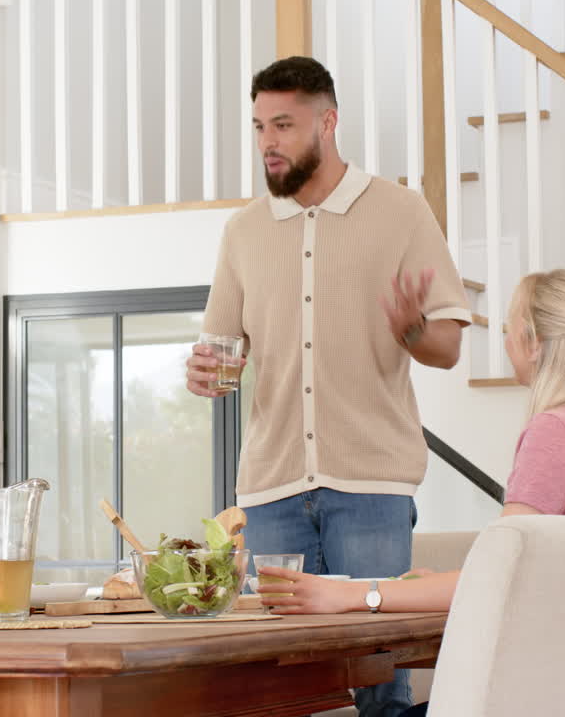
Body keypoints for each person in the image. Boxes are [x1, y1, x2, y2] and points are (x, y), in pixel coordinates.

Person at [259, 270, 565, 717]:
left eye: (508, 328)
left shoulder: (554, 431)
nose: (504, 341)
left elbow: (503, 579)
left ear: (533, 342)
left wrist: (353, 595)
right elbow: (517, 573)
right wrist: (432, 585)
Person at [186, 56, 470, 716]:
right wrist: (206, 374)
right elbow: (223, 351)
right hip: (271, 491)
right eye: (259, 126)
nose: (268, 142)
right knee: (280, 686)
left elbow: (448, 346)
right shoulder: (243, 231)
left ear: (329, 121)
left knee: (380, 685)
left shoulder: (400, 212)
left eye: (283, 124)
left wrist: (410, 331)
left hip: (371, 486)